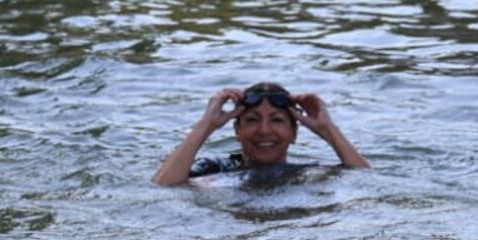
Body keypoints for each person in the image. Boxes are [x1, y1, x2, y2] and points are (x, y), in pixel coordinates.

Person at [154, 83, 369, 185]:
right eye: (252, 120)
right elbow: (162, 187)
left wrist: (327, 128)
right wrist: (206, 125)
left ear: (293, 133)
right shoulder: (214, 168)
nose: (264, 130)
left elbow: (366, 183)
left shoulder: (307, 173)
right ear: (237, 131)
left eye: (276, 120)